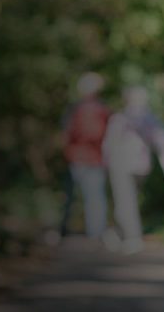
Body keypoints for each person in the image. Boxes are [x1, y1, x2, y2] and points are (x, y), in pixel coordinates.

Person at [102, 86, 164, 254]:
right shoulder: (126, 119)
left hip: (132, 167)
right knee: (126, 202)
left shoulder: (132, 119)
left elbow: (163, 144)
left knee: (126, 202)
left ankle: (128, 237)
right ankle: (125, 235)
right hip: (126, 167)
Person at [60, 72, 112, 242]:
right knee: (95, 197)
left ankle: (64, 230)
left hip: (77, 157)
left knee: (71, 196)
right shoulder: (103, 110)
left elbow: (67, 133)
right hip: (95, 158)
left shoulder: (75, 109)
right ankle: (96, 232)